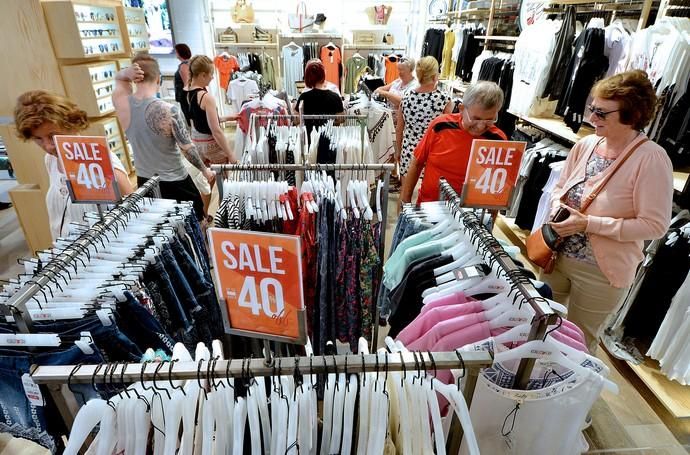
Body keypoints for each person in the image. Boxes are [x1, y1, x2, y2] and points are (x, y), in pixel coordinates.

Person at [542, 70, 673, 352]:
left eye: (601, 113)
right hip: (556, 255)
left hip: (601, 273)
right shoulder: (587, 145)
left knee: (577, 346)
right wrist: (557, 209)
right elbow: (560, 187)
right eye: (592, 108)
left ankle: (568, 396)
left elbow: (655, 225)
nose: (591, 118)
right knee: (539, 326)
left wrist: (588, 224)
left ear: (632, 115)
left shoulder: (651, 158)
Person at [13, 90, 134, 239]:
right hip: (67, 251)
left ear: (72, 124)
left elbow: (133, 208)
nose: (48, 146)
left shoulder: (103, 160)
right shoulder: (50, 160)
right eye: (38, 139)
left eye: (53, 135)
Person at [112, 52, 214, 221]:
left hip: (145, 181)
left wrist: (124, 74)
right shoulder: (169, 110)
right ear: (159, 78)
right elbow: (187, 148)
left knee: (159, 229)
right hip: (176, 182)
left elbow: (119, 81)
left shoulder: (122, 104)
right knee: (194, 227)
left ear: (135, 78)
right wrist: (205, 170)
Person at [400, 81, 507, 206]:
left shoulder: (498, 140)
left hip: (469, 216)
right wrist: (405, 200)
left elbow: (497, 186)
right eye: (476, 119)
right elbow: (417, 162)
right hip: (428, 209)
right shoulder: (440, 126)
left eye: (490, 120)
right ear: (462, 109)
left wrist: (490, 221)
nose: (481, 126)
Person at [396, 56, 452, 188]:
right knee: (429, 199)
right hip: (433, 152)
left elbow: (399, 129)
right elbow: (447, 133)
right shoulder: (444, 99)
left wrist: (398, 152)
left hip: (410, 151)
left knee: (405, 194)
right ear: (434, 76)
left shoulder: (407, 97)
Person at [186, 54, 237, 165]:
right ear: (203, 75)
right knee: (223, 179)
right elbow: (216, 131)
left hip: (197, 143)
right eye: (211, 74)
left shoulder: (189, 93)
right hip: (210, 145)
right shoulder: (206, 97)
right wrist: (230, 154)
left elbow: (201, 119)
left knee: (210, 177)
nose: (212, 78)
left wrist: (229, 118)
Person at [297, 59, 345, 135]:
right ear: (323, 74)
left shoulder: (304, 97)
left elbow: (297, 120)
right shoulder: (334, 97)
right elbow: (341, 119)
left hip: (310, 137)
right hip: (329, 136)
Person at [174, 43, 192, 125]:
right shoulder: (190, 63)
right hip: (187, 96)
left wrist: (190, 100)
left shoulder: (184, 65)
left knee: (189, 118)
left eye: (176, 51)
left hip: (185, 97)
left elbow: (187, 84)